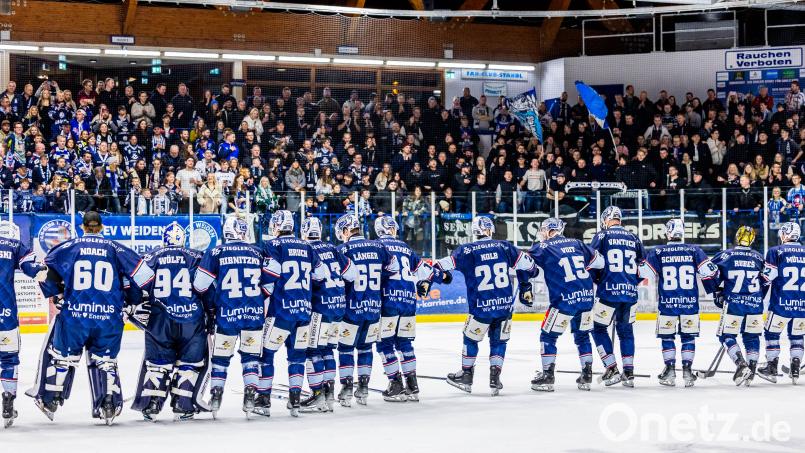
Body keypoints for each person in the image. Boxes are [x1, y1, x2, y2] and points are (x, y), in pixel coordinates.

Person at [30, 211, 155, 424]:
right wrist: (132, 301)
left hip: (75, 316)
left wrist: (56, 294)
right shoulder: (116, 248)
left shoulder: (68, 247)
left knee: (62, 358)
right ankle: (108, 404)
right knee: (105, 361)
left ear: (83, 227)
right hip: (109, 318)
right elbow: (145, 276)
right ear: (102, 227)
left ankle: (51, 399)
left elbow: (44, 270)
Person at [428, 216, 536, 395]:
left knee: (470, 339)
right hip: (504, 306)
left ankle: (466, 375)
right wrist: (526, 283)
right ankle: (495, 377)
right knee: (499, 341)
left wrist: (439, 277)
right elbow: (529, 266)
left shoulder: (466, 250)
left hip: (480, 307)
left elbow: (439, 265)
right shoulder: (504, 246)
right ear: (490, 229)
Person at [192, 216, 274, 418]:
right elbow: (270, 284)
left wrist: (216, 296)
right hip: (254, 314)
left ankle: (216, 397)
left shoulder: (216, 252)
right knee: (251, 358)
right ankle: (250, 394)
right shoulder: (258, 252)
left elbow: (199, 286)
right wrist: (256, 299)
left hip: (226, 315)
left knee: (220, 358)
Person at [128, 222, 210, 421]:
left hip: (160, 319)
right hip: (191, 320)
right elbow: (207, 288)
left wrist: (133, 304)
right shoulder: (197, 256)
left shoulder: (150, 257)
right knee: (189, 364)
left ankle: (151, 405)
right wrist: (211, 312)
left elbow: (135, 286)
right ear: (184, 239)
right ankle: (183, 405)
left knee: (158, 364)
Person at [517, 218, 603, 392]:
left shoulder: (543, 247)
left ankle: (548, 375)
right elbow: (600, 261)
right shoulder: (578, 243)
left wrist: (525, 286)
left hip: (564, 300)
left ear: (550, 231)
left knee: (547, 336)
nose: (541, 233)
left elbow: (522, 262)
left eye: (543, 230)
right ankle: (587, 374)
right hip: (586, 297)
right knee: (582, 336)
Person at [257, 210, 326, 417]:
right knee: (297, 357)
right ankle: (295, 400)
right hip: (303, 312)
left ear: (277, 225)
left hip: (280, 312)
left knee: (265, 354)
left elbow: (270, 275)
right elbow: (320, 275)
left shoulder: (273, 245)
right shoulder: (307, 246)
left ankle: (263, 399)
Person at [638, 219, 717, 387]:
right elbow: (710, 271)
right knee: (688, 337)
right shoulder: (694, 250)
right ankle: (687, 371)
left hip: (668, 303)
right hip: (690, 303)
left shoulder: (658, 251)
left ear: (668, 233)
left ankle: (670, 370)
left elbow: (644, 273)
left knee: (667, 337)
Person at [333, 213, 398, 406]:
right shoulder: (378, 246)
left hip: (351, 308)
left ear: (346, 231)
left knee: (345, 348)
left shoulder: (343, 249)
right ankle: (363, 388)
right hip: (373, 308)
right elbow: (393, 268)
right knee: (365, 348)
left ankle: (346, 389)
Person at [374, 216, 434, 402]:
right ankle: (412, 385)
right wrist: (424, 285)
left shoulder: (377, 246)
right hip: (408, 301)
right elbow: (428, 272)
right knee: (404, 344)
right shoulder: (406, 248)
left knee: (384, 344)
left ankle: (395, 384)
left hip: (388, 301)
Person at [300, 217, 355, 412]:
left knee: (311, 351)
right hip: (338, 307)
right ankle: (328, 393)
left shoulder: (305, 250)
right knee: (328, 350)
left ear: (304, 232)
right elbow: (352, 274)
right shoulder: (333, 248)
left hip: (320, 308)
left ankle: (318, 394)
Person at [589, 206, 646, 388]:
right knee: (626, 331)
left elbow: (591, 262)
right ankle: (628, 373)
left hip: (608, 292)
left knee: (597, 328)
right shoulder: (634, 238)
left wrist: (599, 280)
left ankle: (611, 367)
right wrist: (632, 282)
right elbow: (644, 268)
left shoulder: (602, 236)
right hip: (629, 293)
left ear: (605, 219)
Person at [0, 221, 46, 428]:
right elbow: (33, 270)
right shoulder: (15, 246)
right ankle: (8, 398)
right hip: (6, 313)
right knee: (8, 359)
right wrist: (46, 271)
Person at [709, 226, 766, 386]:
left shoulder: (726, 255)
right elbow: (766, 281)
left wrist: (717, 291)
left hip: (733, 304)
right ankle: (751, 370)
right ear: (752, 239)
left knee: (725, 336)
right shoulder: (759, 257)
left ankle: (741, 364)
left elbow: (709, 273)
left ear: (737, 236)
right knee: (752, 337)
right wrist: (759, 297)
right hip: (755, 304)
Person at [758, 222, 805, 384]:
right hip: (802, 304)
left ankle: (771, 367)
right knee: (797, 335)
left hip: (780, 303)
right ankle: (795, 368)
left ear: (785, 234)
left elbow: (767, 277)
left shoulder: (775, 251)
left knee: (771, 334)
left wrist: (758, 294)